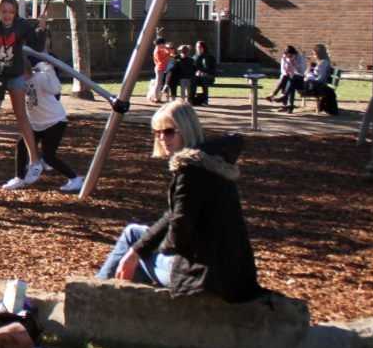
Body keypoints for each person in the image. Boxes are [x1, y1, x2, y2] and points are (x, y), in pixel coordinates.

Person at [95, 100, 263, 302]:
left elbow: (179, 234)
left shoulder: (191, 171)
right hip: (233, 273)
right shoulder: (213, 161)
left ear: (186, 129)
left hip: (204, 276)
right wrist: (138, 249)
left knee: (133, 246)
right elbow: (174, 215)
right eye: (157, 133)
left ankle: (95, 299)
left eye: (169, 132)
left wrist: (141, 253)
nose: (162, 138)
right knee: (133, 236)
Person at [0, 0, 43, 179]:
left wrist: (42, 28)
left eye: (11, 12)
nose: (7, 15)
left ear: (16, 13)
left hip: (14, 74)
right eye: (3, 11)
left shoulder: (22, 25)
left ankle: (34, 160)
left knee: (21, 117)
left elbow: (36, 46)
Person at [5, 35, 82, 192]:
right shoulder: (17, 84)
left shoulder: (40, 78)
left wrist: (47, 67)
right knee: (21, 146)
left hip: (54, 121)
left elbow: (55, 89)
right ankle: (19, 178)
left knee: (48, 156)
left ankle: (75, 179)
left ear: (25, 71)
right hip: (34, 124)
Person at [191, 40, 217, 106]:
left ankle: (205, 100)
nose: (198, 48)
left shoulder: (210, 57)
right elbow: (193, 68)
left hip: (209, 76)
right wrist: (196, 72)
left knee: (204, 78)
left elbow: (212, 69)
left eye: (200, 47)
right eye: (197, 47)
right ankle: (192, 99)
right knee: (194, 78)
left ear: (204, 47)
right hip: (198, 76)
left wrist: (205, 73)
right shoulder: (195, 57)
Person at [149, 36, 173, 102]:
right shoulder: (157, 51)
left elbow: (166, 53)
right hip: (160, 68)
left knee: (159, 83)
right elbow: (161, 59)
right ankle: (156, 98)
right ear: (160, 44)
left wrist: (167, 50)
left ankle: (156, 97)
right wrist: (168, 54)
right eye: (163, 44)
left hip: (161, 67)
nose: (164, 45)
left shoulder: (160, 49)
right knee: (158, 83)